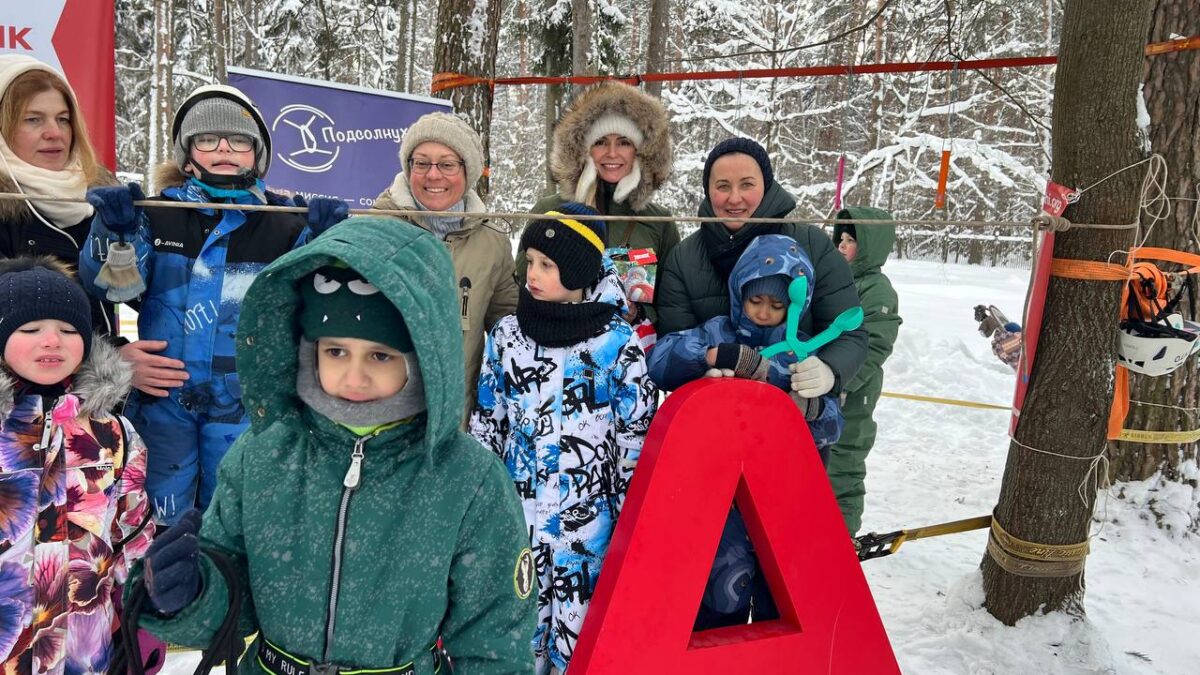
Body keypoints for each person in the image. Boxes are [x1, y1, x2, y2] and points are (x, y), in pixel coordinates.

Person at [129, 216, 536, 674]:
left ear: (423, 357)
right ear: (309, 350)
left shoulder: (466, 479)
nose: (354, 377)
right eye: (336, 351)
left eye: (380, 355)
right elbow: (232, 599)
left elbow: (494, 637)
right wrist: (191, 592)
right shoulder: (264, 454)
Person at [78, 85, 348, 525]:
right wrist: (116, 232)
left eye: (238, 140)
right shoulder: (156, 213)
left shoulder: (284, 223)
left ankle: (229, 588)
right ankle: (157, 587)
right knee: (158, 515)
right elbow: (114, 290)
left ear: (257, 155)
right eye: (207, 139)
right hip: (163, 399)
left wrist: (327, 244)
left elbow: (315, 305)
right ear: (187, 155)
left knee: (236, 516)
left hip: (247, 405)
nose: (223, 148)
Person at [470, 203, 658, 674]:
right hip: (520, 522)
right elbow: (489, 422)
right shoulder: (509, 336)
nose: (532, 274)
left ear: (577, 271)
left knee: (586, 643)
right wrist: (480, 501)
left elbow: (636, 432)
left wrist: (632, 513)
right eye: (529, 261)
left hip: (589, 531)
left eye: (547, 265)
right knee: (517, 636)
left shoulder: (615, 341)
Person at [648, 234, 844, 628]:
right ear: (740, 294)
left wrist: (810, 405)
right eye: (756, 301)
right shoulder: (718, 332)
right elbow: (660, 361)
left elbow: (834, 426)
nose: (764, 313)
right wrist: (711, 358)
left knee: (783, 595)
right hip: (719, 492)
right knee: (720, 588)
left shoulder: (803, 351)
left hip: (781, 492)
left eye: (777, 305)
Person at [0, 257, 156, 671]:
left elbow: (134, 528)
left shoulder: (114, 433)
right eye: (30, 329)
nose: (52, 340)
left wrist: (140, 613)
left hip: (84, 645)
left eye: (69, 330)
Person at [656, 137, 868, 406]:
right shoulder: (684, 258)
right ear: (708, 191)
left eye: (747, 184)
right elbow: (672, 343)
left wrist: (829, 370)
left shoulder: (811, 245)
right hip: (711, 419)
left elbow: (850, 332)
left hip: (795, 418)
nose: (735, 198)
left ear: (765, 186)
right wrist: (700, 367)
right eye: (722, 186)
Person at [372, 112, 517, 421]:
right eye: (421, 163)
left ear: (468, 172)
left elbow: (511, 328)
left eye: (447, 164)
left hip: (454, 419)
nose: (433, 175)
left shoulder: (492, 242)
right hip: (378, 419)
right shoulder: (371, 226)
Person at [518, 81, 679, 335]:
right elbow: (523, 287)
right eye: (601, 142)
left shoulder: (659, 222)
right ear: (584, 150)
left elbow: (671, 303)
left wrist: (640, 313)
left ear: (640, 151)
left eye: (624, 142)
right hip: (558, 350)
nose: (612, 153)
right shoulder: (550, 211)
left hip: (630, 354)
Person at [0, 55, 120, 336]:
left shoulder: (97, 202)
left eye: (63, 119)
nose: (54, 133)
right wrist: (114, 356)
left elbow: (134, 294)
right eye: (33, 119)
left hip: (102, 376)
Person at [828, 210, 902, 536]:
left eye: (851, 241)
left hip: (852, 398)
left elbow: (873, 346)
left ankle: (842, 539)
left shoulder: (878, 291)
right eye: (840, 240)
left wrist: (837, 380)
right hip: (825, 392)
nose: (842, 247)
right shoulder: (835, 282)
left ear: (870, 247)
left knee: (843, 470)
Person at [976, 304, 1021, 370]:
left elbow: (1004, 336)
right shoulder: (1011, 344)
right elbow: (1007, 338)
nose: (1019, 335)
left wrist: (989, 319)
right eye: (1017, 333)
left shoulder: (1001, 345)